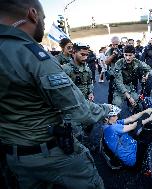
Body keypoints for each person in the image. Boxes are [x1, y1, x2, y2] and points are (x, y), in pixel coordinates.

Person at [0, 1, 111, 188]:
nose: (43, 23)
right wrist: (107, 109)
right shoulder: (32, 55)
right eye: (43, 18)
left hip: (13, 156)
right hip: (50, 153)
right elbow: (80, 112)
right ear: (33, 14)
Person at [105, 36, 124, 103]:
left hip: (121, 74)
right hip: (113, 74)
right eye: (114, 44)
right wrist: (113, 55)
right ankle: (110, 106)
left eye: (117, 44)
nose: (115, 46)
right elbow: (106, 62)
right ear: (111, 43)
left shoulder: (121, 49)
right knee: (111, 92)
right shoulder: (109, 51)